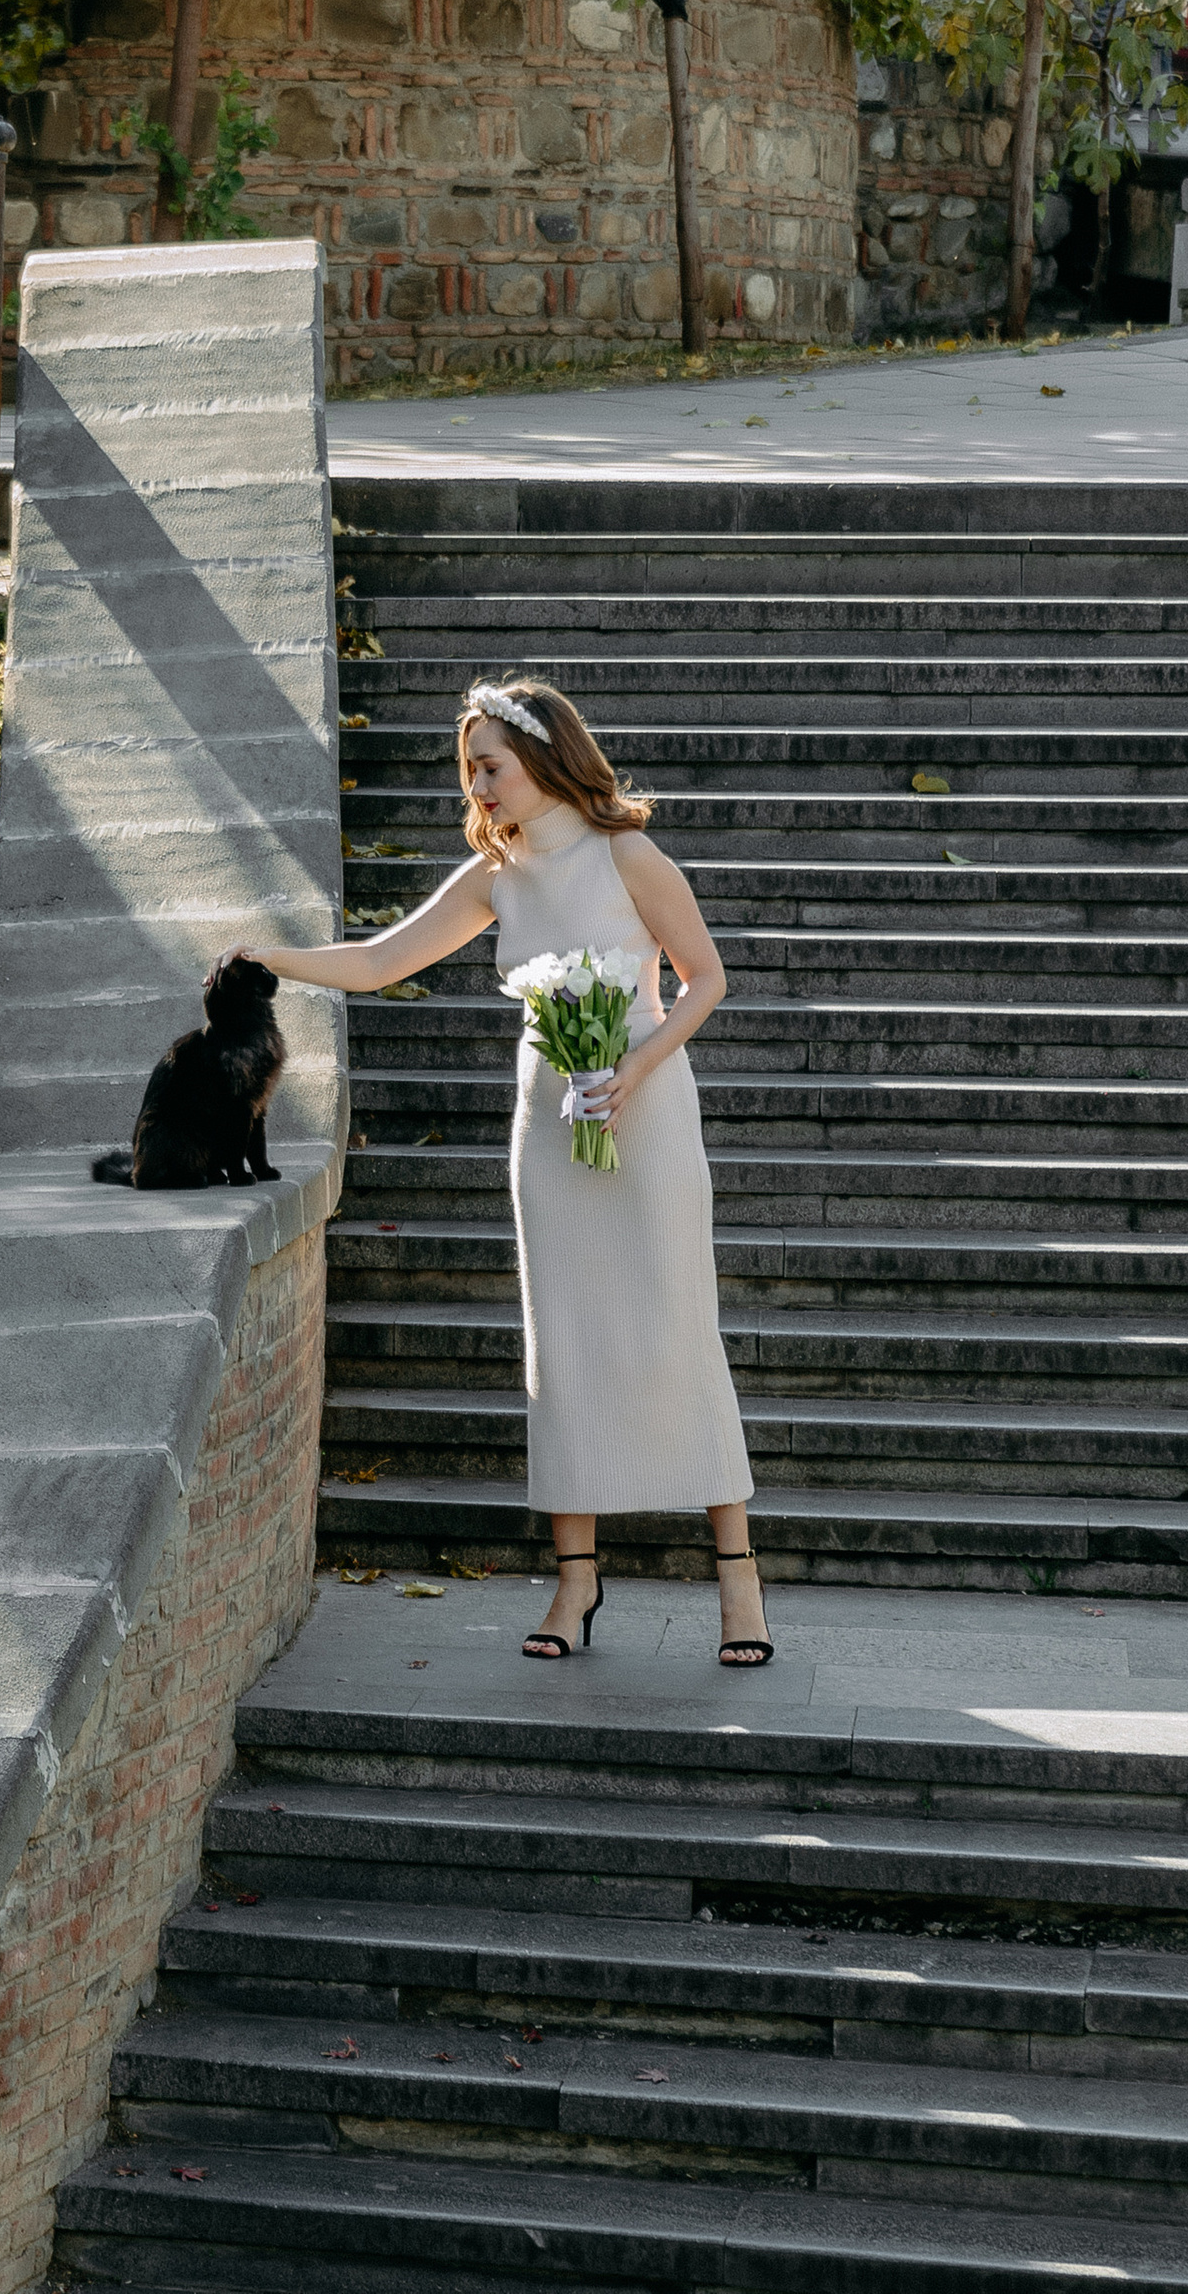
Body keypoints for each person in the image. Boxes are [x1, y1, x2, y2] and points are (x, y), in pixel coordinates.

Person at [240, 671, 769, 1666]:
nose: (476, 785)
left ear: (542, 756)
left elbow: (706, 979)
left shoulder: (628, 853)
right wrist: (264, 957)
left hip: (645, 1108)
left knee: (674, 1325)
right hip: (546, 1117)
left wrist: (633, 1070)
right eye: (469, 769)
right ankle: (575, 1586)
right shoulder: (494, 875)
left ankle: (738, 1585)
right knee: (560, 1342)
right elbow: (377, 962)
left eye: (489, 765)